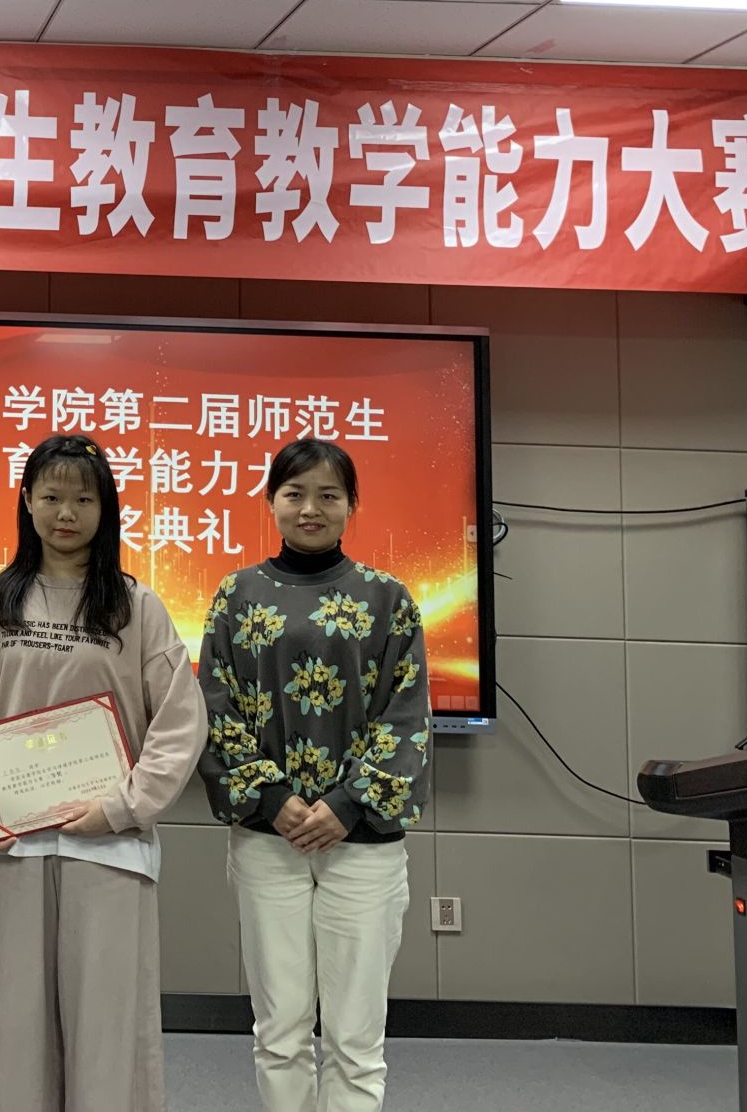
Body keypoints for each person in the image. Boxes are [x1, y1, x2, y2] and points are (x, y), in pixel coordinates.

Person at [0, 433, 207, 1112]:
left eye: (84, 499)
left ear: (105, 508)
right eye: (52, 496)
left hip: (108, 846)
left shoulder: (135, 605)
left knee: (107, 1028)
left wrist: (121, 807)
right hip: (19, 847)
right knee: (17, 1028)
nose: (66, 512)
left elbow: (180, 723)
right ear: (26, 501)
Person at [197, 437, 431, 1112]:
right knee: (280, 1032)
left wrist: (348, 804)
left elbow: (406, 713)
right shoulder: (237, 594)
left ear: (352, 505)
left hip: (363, 843)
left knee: (356, 1040)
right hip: (267, 838)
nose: (310, 508)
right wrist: (272, 798)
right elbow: (213, 705)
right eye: (294, 493)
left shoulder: (388, 598)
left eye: (328, 495)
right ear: (271, 501)